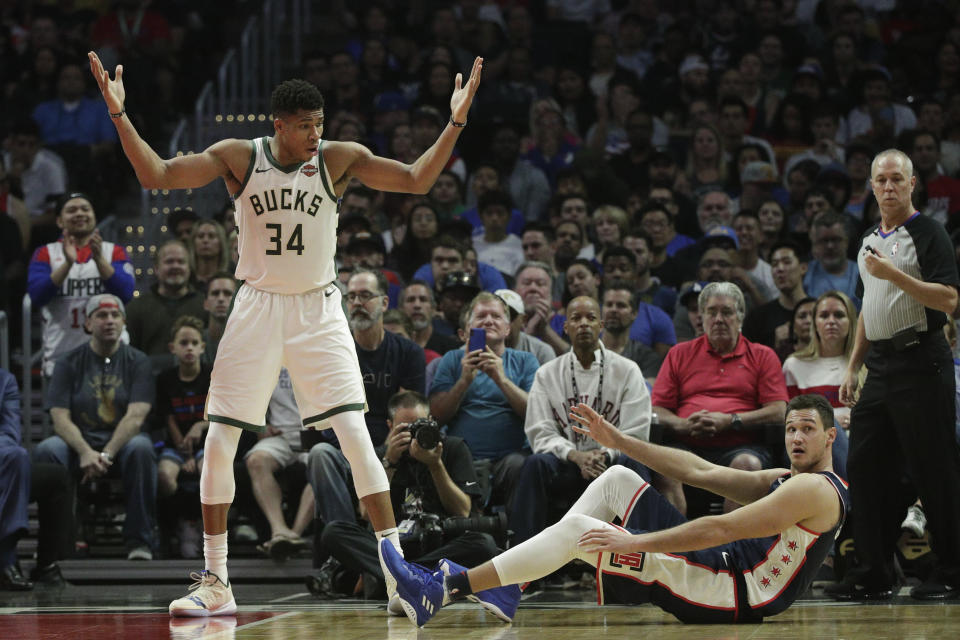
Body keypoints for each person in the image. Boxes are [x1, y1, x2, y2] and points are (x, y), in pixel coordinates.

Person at [89, 50, 484, 615]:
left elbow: (417, 179)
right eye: (305, 126)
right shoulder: (238, 157)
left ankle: (399, 578)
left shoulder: (337, 159)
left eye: (320, 124)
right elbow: (157, 175)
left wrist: (456, 121)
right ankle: (217, 581)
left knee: (353, 432)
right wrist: (120, 116)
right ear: (279, 124)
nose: (316, 135)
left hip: (318, 309)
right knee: (220, 439)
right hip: (255, 305)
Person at [381, 393, 847, 627]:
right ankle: (512, 583)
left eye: (808, 429)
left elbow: (720, 528)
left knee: (581, 533)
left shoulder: (815, 491)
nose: (796, 438)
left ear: (830, 437)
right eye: (790, 428)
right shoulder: (789, 479)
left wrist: (635, 542)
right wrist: (620, 442)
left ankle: (444, 589)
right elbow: (701, 472)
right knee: (620, 478)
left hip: (729, 592)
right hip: (721, 572)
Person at [829, 149, 960, 601]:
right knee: (866, 470)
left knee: (934, 471)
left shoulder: (930, 232)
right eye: (880, 180)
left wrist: (892, 273)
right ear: (871, 186)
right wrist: (853, 366)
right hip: (881, 367)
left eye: (896, 180)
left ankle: (951, 572)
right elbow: (870, 308)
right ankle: (872, 572)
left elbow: (947, 300)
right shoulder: (868, 237)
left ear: (911, 184)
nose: (888, 187)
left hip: (923, 362)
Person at [317, 391, 499, 600]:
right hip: (394, 546)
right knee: (333, 533)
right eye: (405, 428)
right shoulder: (379, 456)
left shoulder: (452, 448)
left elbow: (462, 511)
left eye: (420, 425)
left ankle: (401, 577)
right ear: (389, 426)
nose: (414, 433)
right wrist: (389, 463)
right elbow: (366, 514)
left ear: (431, 421)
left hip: (441, 545)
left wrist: (435, 465)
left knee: (483, 544)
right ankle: (417, 578)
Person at [510, 296, 652, 545]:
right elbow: (540, 432)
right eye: (576, 318)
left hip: (610, 464)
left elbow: (636, 433)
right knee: (534, 464)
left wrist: (605, 454)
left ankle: (647, 559)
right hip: (567, 465)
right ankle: (525, 567)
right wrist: (575, 456)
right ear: (566, 328)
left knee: (634, 463)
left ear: (602, 325)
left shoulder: (628, 370)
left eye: (591, 318)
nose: (584, 324)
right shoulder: (547, 373)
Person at [35, 294, 157, 560]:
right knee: (48, 450)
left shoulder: (139, 361)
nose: (109, 321)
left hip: (121, 444)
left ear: (124, 322)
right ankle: (58, 541)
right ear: (88, 323)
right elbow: (59, 417)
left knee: (141, 448)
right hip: (79, 442)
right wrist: (85, 452)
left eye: (115, 315)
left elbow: (136, 417)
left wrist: (106, 454)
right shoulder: (67, 363)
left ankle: (140, 541)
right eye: (101, 315)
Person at [652, 282, 789, 515]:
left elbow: (778, 410)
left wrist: (731, 421)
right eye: (711, 312)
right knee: (664, 465)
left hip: (742, 446)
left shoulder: (762, 355)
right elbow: (658, 409)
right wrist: (683, 424)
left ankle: (729, 549)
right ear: (702, 318)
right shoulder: (679, 353)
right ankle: (675, 546)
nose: (718, 319)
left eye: (726, 312)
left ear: (741, 317)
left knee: (747, 466)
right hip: (686, 443)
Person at [430, 292, 539, 508]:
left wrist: (501, 380)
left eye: (496, 316)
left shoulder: (525, 361)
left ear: (508, 329)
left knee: (522, 465)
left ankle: (516, 537)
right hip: (461, 456)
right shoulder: (452, 360)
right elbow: (436, 416)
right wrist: (463, 381)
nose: (489, 320)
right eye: (481, 316)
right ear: (467, 331)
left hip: (509, 458)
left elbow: (536, 415)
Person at [28, 193, 136, 377]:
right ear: (60, 221)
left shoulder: (114, 251)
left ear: (94, 216)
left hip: (111, 355)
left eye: (85, 209)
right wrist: (67, 264)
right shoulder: (45, 253)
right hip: (61, 357)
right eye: (72, 210)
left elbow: (125, 293)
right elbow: (37, 296)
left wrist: (100, 260)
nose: (79, 213)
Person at [155, 316, 211, 558]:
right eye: (183, 343)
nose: (189, 347)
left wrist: (200, 426)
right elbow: (167, 418)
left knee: (208, 473)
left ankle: (203, 526)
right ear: (173, 348)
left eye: (194, 343)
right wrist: (183, 452)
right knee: (165, 477)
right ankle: (178, 525)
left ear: (202, 347)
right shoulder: (165, 379)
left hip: (207, 446)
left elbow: (217, 415)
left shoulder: (212, 376)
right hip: (175, 447)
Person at [245, 367, 314, 562]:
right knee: (256, 461)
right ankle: (279, 530)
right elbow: (252, 399)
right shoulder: (268, 357)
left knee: (322, 466)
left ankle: (294, 534)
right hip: (280, 435)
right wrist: (260, 425)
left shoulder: (318, 351)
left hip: (313, 435)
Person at [125, 239, 207, 370]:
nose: (175, 266)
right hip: (151, 383)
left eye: (181, 262)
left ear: (189, 268)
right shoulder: (136, 308)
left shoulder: (204, 305)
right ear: (156, 268)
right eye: (169, 261)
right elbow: (130, 354)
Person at [600, 282, 664, 380]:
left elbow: (647, 393)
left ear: (634, 313)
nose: (613, 310)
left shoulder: (647, 357)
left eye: (621, 305)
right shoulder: (583, 352)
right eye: (609, 305)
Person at [399, 281, 461, 356]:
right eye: (411, 300)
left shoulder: (452, 349)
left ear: (433, 308)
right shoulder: (393, 347)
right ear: (401, 309)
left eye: (423, 299)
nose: (417, 305)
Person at [201, 273, 237, 364]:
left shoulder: (250, 340)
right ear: (206, 303)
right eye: (215, 293)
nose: (221, 298)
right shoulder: (193, 341)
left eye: (227, 293)